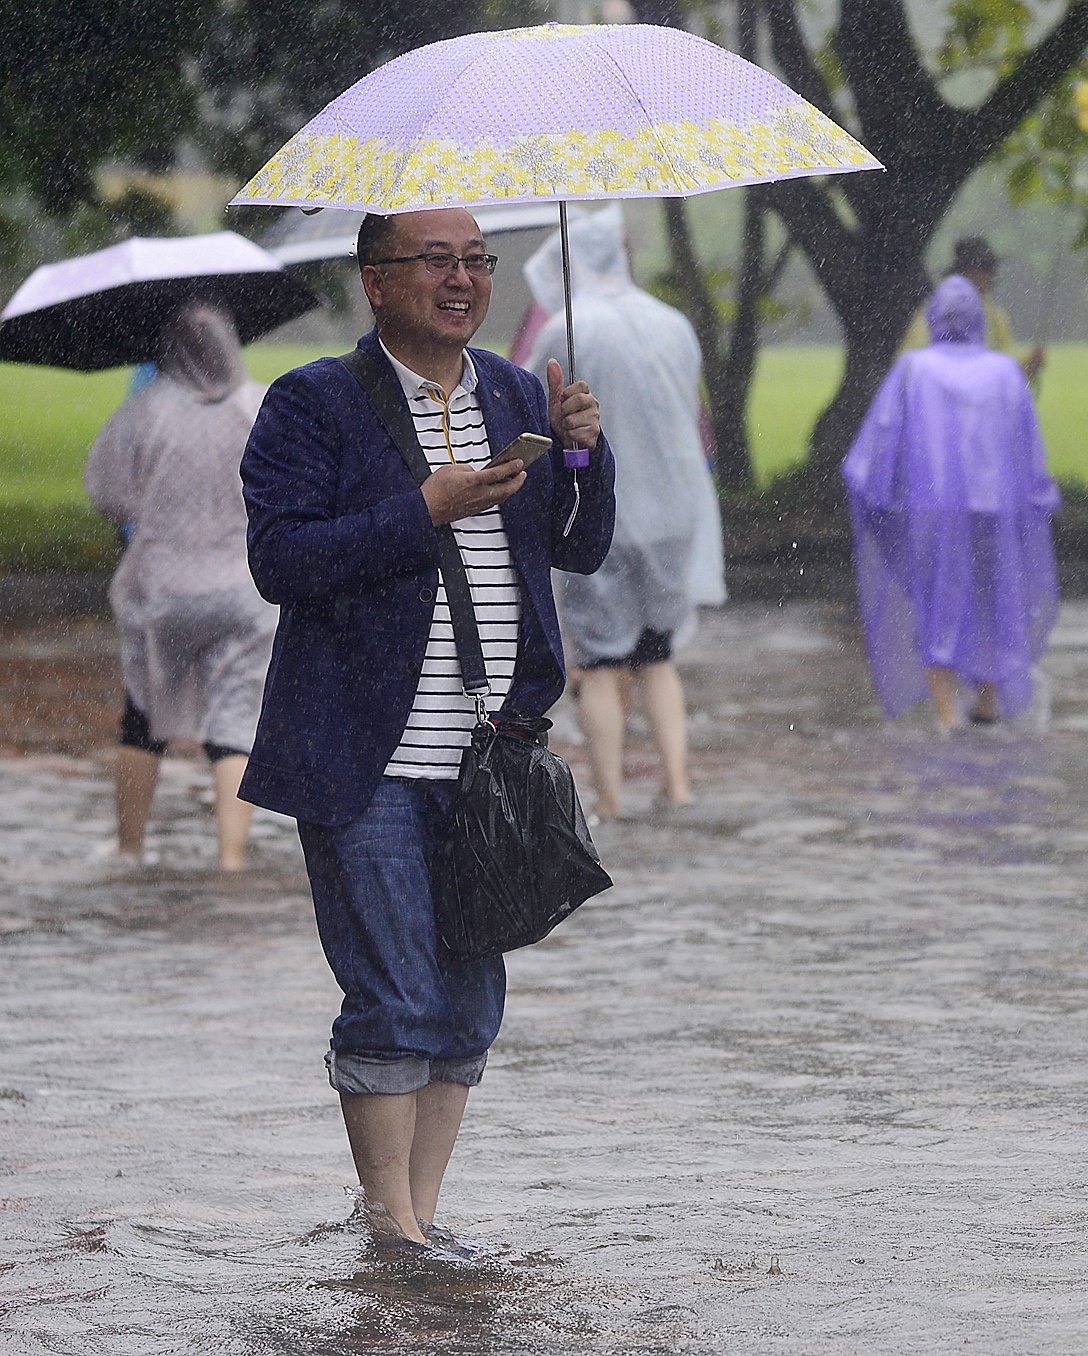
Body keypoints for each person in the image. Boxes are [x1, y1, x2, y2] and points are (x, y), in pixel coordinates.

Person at [239, 207, 614, 1252]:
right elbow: (284, 562)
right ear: (374, 279)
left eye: (477, 262)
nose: (462, 279)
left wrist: (583, 455)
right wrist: (428, 508)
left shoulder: (513, 390)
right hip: (365, 755)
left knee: (466, 998)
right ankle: (387, 1224)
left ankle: (421, 1221)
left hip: (493, 752)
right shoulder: (313, 403)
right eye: (436, 260)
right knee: (394, 988)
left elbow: (577, 550)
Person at [521, 205, 725, 818]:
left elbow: (534, 410)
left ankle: (609, 798)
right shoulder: (672, 324)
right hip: (675, 514)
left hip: (603, 517)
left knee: (604, 662)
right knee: (658, 655)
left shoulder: (568, 331)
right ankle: (678, 783)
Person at [85, 302, 276, 871]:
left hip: (162, 592)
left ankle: (129, 845)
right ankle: (232, 857)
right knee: (234, 721)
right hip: (246, 591)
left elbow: (108, 493)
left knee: (143, 717)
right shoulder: (259, 405)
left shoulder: (146, 409)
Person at [843, 275, 1061, 731]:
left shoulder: (913, 370)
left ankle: (945, 717)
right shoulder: (1004, 372)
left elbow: (877, 446)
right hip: (995, 510)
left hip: (933, 512)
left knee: (936, 606)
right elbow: (1028, 446)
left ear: (934, 318)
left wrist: (878, 498)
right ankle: (987, 705)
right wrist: (1038, 498)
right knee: (994, 598)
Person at [901, 237, 1046, 383]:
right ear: (969, 272)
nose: (992, 276)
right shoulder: (936, 309)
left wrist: (1027, 366)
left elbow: (1004, 361)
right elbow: (913, 361)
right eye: (985, 270)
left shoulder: (995, 314)